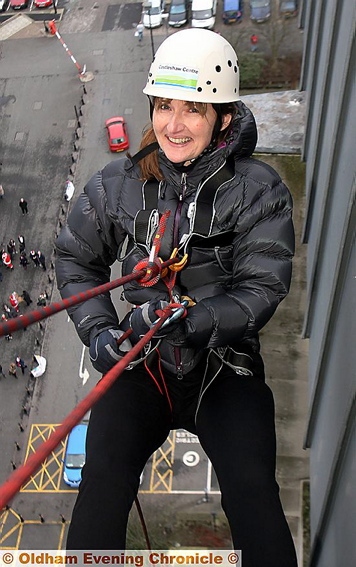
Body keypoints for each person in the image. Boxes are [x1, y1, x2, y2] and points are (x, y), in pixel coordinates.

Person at [55, 29, 297, 566]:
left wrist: (194, 319)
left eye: (193, 109)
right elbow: (76, 258)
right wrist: (100, 334)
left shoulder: (257, 189)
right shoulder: (120, 183)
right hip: (143, 363)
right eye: (164, 106)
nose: (173, 124)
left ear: (224, 119)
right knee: (99, 495)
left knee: (256, 502)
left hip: (223, 367)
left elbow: (262, 286)